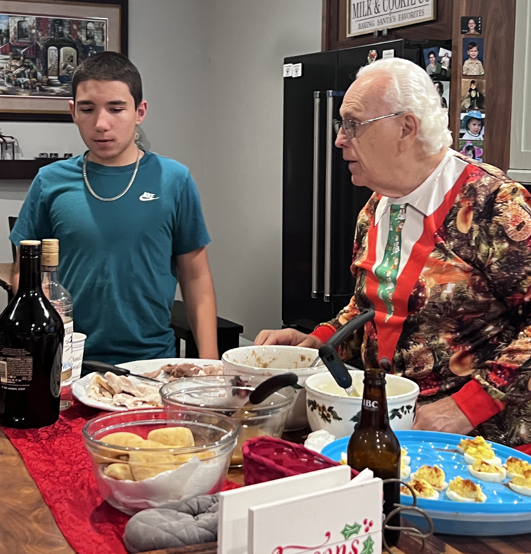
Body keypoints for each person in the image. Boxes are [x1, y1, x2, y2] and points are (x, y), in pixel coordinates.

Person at [256, 57, 531, 448]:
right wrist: (320, 340)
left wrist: (467, 406)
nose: (339, 139)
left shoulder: (494, 204)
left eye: (352, 124)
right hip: (389, 432)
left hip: (484, 450)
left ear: (406, 127)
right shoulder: (376, 207)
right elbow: (370, 307)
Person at [10, 51, 218, 365]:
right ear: (73, 111)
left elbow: (196, 279)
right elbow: (21, 275)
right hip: (66, 361)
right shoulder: (49, 181)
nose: (101, 123)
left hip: (152, 362)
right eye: (88, 109)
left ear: (140, 111)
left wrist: (210, 363)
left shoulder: (174, 180)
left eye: (116, 108)